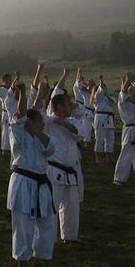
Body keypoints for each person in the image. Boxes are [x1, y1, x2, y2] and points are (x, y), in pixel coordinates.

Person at [7, 94, 57, 267]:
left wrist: (36, 132)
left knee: (48, 225)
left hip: (42, 184)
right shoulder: (18, 137)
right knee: (23, 226)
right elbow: (19, 116)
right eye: (40, 122)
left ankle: (46, 262)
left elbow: (51, 149)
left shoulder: (42, 137)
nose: (44, 124)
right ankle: (21, 266)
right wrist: (21, 96)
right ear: (30, 122)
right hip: (24, 183)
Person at [45, 89, 85, 243]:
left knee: (72, 207)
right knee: (52, 206)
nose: (72, 107)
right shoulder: (48, 122)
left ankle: (69, 237)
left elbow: (81, 134)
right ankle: (48, 237)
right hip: (54, 170)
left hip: (72, 172)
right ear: (60, 107)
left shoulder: (72, 122)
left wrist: (65, 124)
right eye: (68, 105)